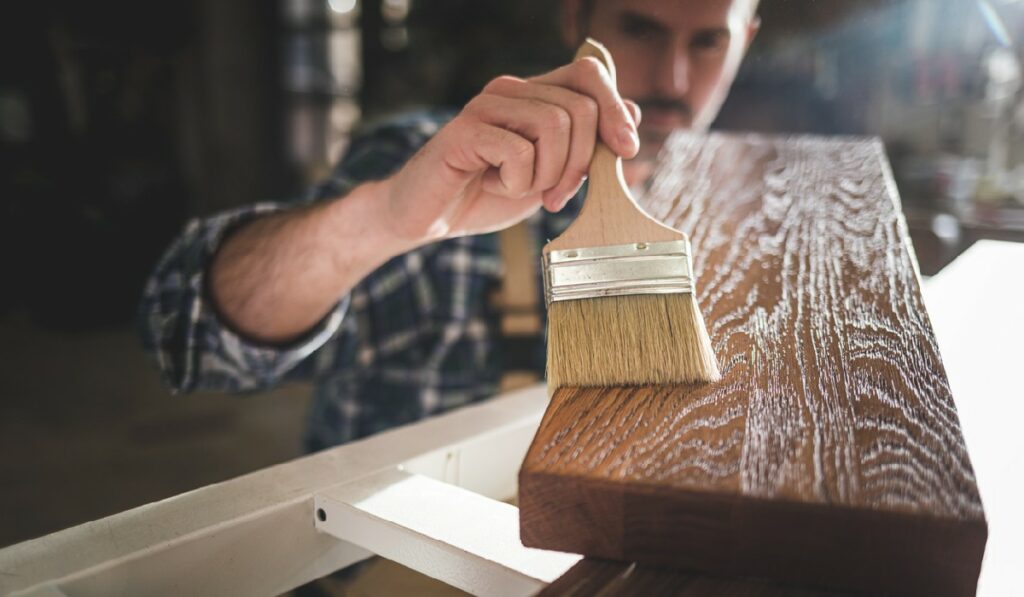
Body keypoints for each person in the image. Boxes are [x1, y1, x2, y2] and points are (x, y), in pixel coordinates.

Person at [139, 0, 761, 451]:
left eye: (707, 42)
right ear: (576, 21)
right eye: (640, 29)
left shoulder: (759, 214)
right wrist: (381, 220)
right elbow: (184, 330)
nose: (673, 79)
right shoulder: (438, 161)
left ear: (747, 39)